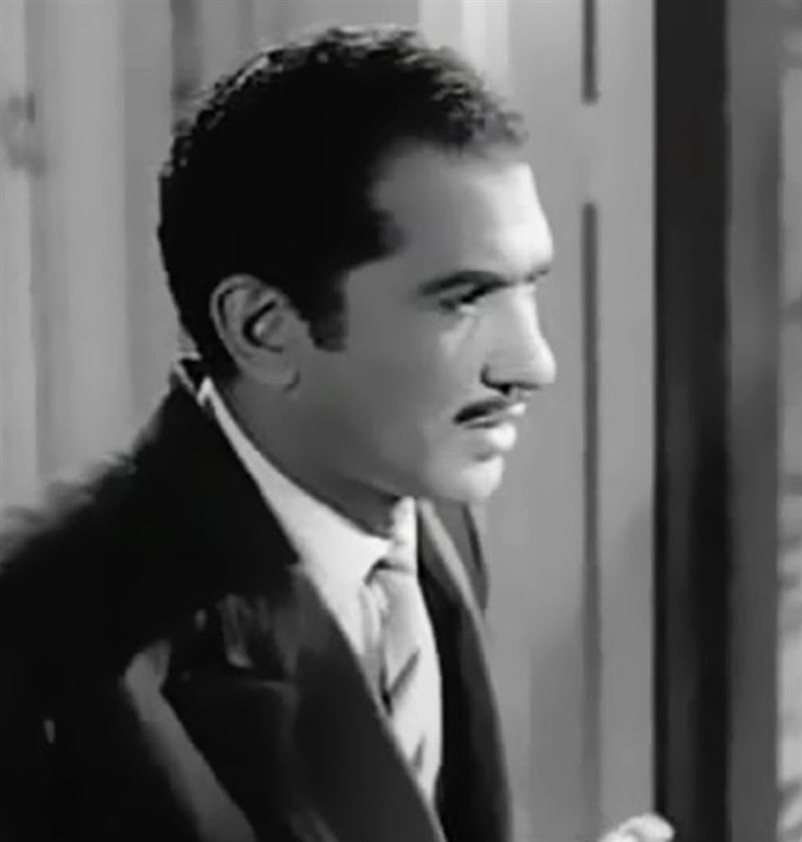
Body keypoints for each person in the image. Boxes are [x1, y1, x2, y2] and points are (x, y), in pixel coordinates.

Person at [0, 25, 668, 842]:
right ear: (265, 329)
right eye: (462, 300)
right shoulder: (43, 632)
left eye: (527, 289)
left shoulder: (432, 519)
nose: (534, 364)